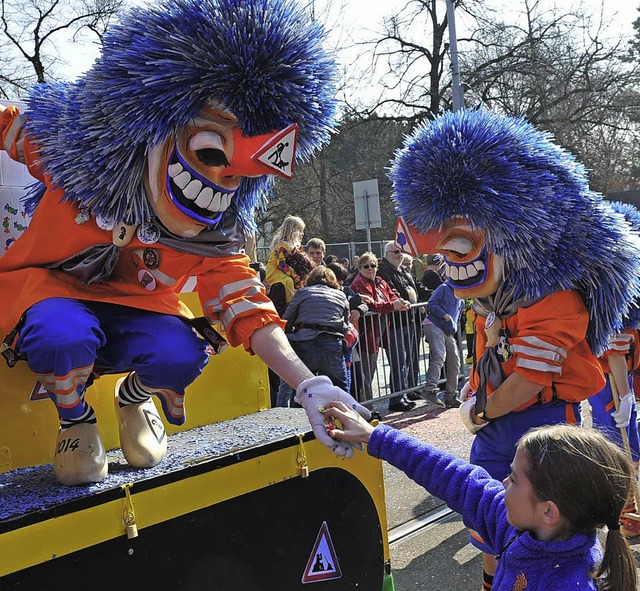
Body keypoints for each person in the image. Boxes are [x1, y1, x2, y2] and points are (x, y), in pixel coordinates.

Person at [0, 0, 371, 485]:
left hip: (141, 308)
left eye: (244, 169)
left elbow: (250, 308)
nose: (222, 177)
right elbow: (14, 126)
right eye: (212, 149)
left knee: (183, 355)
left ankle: (133, 400)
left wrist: (309, 383)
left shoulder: (213, 238)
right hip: (55, 293)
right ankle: (76, 421)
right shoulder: (73, 154)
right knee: (59, 332)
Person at [390, 108, 640, 589]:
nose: (447, 259)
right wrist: (474, 398)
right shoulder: (492, 303)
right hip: (497, 422)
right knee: (487, 526)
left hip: (540, 425)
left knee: (556, 525)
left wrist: (476, 413)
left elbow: (528, 381)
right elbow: (486, 365)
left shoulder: (557, 299)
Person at [324, 404, 638, 591]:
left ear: (549, 512)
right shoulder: (519, 524)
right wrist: (375, 436)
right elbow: (454, 476)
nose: (502, 482)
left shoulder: (567, 584)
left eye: (513, 479)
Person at [350, 252, 415, 411]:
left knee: (371, 372)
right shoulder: (359, 283)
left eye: (373, 265)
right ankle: (366, 409)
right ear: (359, 268)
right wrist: (393, 306)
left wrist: (399, 301)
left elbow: (391, 296)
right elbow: (372, 305)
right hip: (366, 334)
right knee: (365, 374)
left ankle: (368, 407)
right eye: (366, 266)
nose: (370, 269)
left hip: (380, 332)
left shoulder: (380, 281)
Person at [277, 266, 349, 408]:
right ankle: (342, 423)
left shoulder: (302, 293)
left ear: (310, 279)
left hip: (305, 342)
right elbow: (345, 325)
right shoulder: (340, 295)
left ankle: (300, 425)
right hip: (331, 341)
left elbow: (287, 319)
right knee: (338, 387)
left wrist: (291, 334)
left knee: (303, 387)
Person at [376, 241, 420, 406]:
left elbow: (415, 288)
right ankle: (397, 398)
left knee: (407, 361)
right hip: (395, 323)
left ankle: (404, 393)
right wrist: (400, 301)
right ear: (386, 254)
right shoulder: (383, 270)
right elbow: (391, 291)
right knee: (398, 362)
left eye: (400, 251)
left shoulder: (402, 270)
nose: (399, 254)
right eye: (395, 252)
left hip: (409, 320)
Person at [421, 281, 464, 408]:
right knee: (439, 355)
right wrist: (444, 315)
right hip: (434, 324)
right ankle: (429, 389)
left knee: (455, 360)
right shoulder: (444, 288)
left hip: (447, 330)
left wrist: (452, 326)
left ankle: (451, 395)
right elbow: (431, 304)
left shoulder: (461, 299)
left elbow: (457, 317)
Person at [328, 261, 368, 393]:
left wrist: (359, 310)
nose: (339, 284)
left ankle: (355, 406)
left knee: (355, 378)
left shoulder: (346, 290)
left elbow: (364, 303)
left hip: (349, 342)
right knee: (338, 379)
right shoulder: (325, 294)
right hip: (332, 342)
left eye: (341, 281)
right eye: (337, 280)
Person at [265, 215, 306, 306]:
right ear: (292, 231)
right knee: (289, 281)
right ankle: (290, 304)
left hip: (282, 271)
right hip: (274, 271)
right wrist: (293, 274)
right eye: (300, 231)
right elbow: (281, 264)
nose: (302, 234)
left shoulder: (291, 245)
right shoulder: (282, 246)